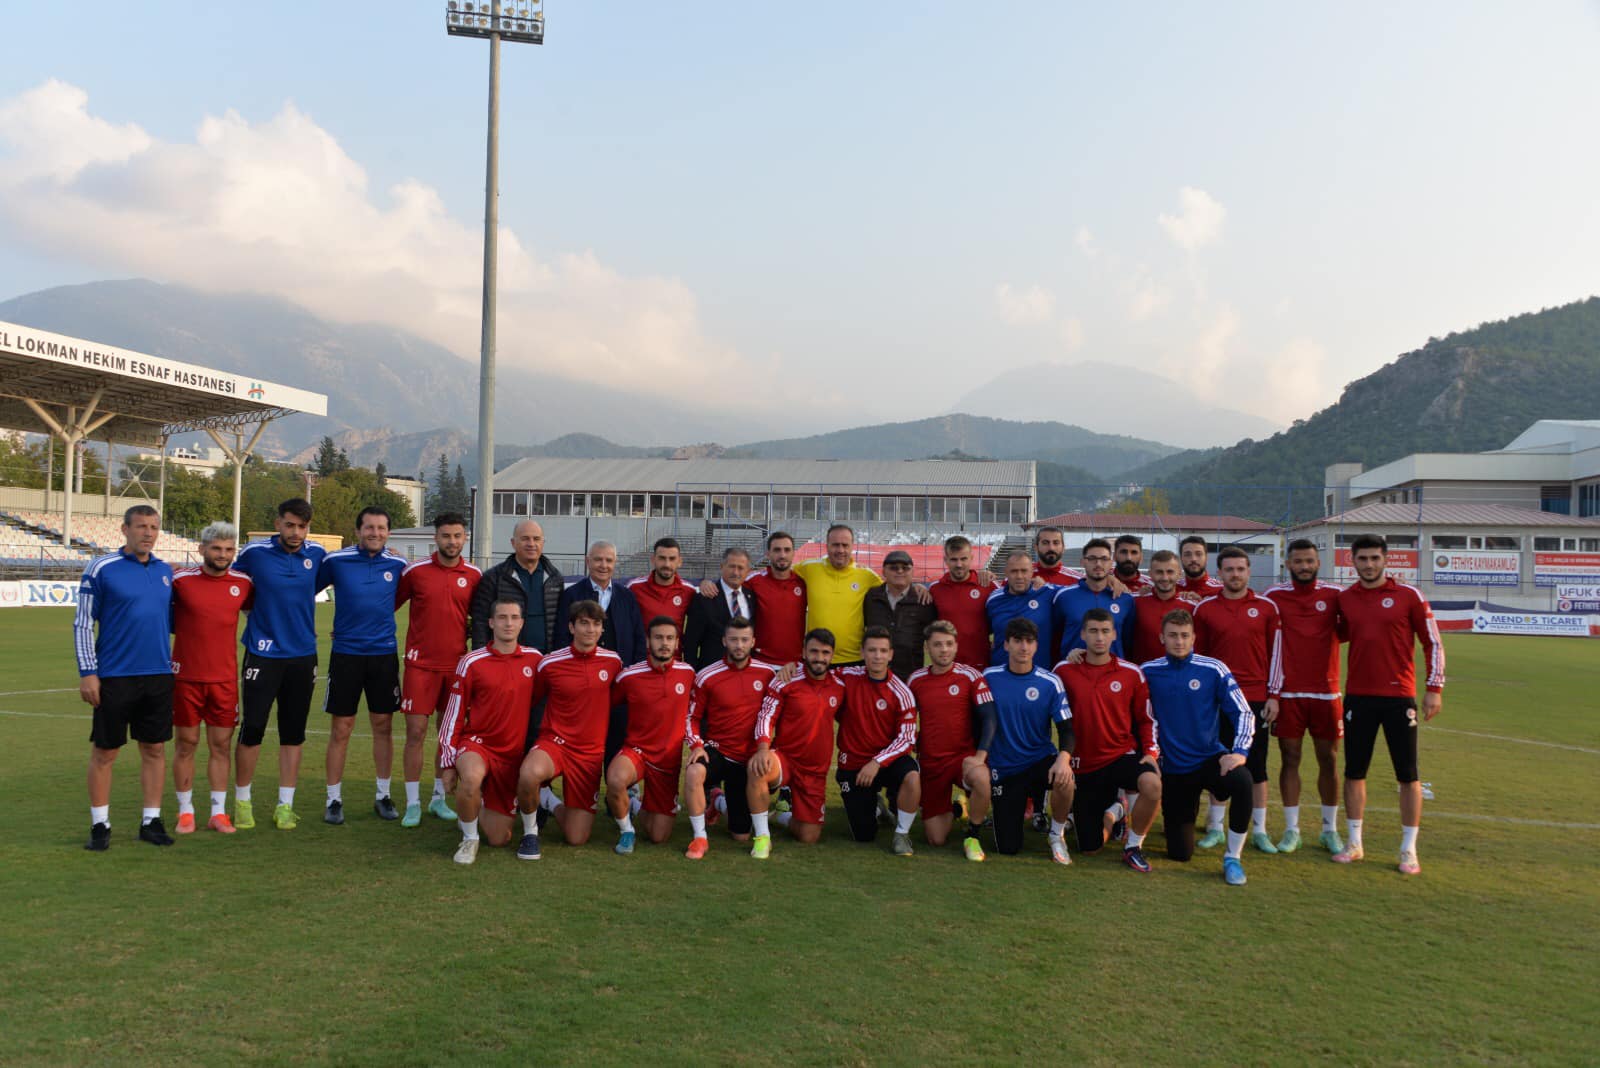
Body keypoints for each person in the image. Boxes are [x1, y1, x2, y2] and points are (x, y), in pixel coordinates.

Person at [1331, 533, 1445, 875]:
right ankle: (1354, 843)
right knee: (1354, 771)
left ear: (1385, 559)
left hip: (1399, 697)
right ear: (1352, 561)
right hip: (1358, 696)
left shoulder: (1408, 596)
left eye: (1374, 558)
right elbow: (1335, 635)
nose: (1368, 564)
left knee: (1407, 774)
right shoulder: (1345, 599)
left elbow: (1432, 642)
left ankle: (1409, 849)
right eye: (1362, 558)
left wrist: (1434, 688)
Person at [76, 505, 177, 850]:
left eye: (153, 527)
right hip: (115, 676)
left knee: (155, 749)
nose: (148, 533)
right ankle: (99, 825)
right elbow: (83, 623)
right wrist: (88, 672)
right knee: (105, 752)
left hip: (158, 675)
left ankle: (151, 821)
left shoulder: (165, 571)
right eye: (141, 526)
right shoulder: (102, 568)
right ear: (125, 530)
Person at [1140, 608, 1255, 885]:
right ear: (1161, 638)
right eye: (1172, 635)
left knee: (1242, 781)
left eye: (1184, 635)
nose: (1179, 641)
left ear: (1194, 638)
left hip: (1208, 760)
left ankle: (1233, 858)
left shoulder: (1213, 669)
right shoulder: (1148, 671)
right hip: (1173, 769)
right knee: (1180, 854)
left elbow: (1243, 712)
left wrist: (1239, 753)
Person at [232, 498, 327, 830]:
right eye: (290, 525)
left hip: (302, 656)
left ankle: (285, 806)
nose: (296, 532)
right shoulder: (254, 553)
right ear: (278, 524)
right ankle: (242, 802)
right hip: (263, 654)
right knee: (252, 729)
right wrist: (254, 616)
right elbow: (231, 584)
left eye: (302, 526)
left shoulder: (317, 555)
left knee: (293, 733)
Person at [316, 506, 408, 825]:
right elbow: (303, 591)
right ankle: (333, 799)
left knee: (383, 725)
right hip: (346, 655)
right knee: (341, 728)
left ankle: (383, 795)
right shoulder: (336, 561)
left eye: (381, 528)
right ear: (357, 531)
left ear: (388, 533)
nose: (375, 533)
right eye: (369, 527)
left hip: (383, 655)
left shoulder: (398, 564)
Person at [1053, 609, 1160, 872]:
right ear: (1083, 634)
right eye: (1093, 631)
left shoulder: (1131, 673)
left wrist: (1150, 752)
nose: (1099, 637)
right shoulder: (1064, 670)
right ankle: (1115, 812)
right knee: (1089, 848)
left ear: (1114, 634)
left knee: (1152, 784)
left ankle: (1133, 847)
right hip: (1084, 764)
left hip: (1120, 756)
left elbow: (1146, 719)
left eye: (1104, 631)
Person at [436, 598, 542, 865]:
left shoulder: (535, 660)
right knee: (471, 778)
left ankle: (475, 804)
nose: (508, 623)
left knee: (499, 838)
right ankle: (469, 839)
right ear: (491, 623)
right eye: (502, 617)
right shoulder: (472, 661)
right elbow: (453, 713)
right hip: (478, 744)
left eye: (514, 618)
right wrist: (447, 763)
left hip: (512, 755)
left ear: (522, 623)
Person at [515, 600, 624, 858]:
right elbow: (530, 700)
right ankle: (530, 834)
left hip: (589, 753)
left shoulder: (613, 662)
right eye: (584, 623)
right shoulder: (550, 663)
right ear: (571, 627)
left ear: (602, 629)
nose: (590, 629)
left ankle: (549, 801)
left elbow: (617, 698)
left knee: (576, 838)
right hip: (555, 743)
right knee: (529, 774)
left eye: (596, 624)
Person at [1192, 546, 1283, 853]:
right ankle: (1215, 827)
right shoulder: (1205, 609)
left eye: (1240, 569)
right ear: (1219, 573)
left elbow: (1276, 655)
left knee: (1257, 766)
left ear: (1248, 571)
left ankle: (1260, 830)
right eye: (1229, 569)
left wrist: (1273, 696)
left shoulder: (1267, 607)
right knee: (1219, 760)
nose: (1235, 574)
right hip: (1218, 700)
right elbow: (1199, 659)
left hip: (1255, 699)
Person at [394, 512, 483, 826]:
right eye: (446, 535)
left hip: (456, 667)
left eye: (457, 535)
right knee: (415, 733)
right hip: (420, 665)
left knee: (447, 736)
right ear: (436, 538)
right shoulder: (415, 572)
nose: (452, 541)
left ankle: (437, 798)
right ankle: (412, 803)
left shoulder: (474, 575)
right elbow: (387, 606)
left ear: (465, 538)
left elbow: (479, 618)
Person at [1262, 539, 1346, 853]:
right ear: (1288, 565)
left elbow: (1352, 627)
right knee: (1290, 758)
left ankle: (1329, 830)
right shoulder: (1273, 596)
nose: (1304, 566)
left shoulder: (1335, 595)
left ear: (1318, 563)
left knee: (1329, 759)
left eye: (1309, 561)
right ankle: (1292, 830)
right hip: (1287, 693)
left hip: (1326, 693)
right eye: (1298, 561)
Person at [169, 522, 252, 835]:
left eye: (229, 549)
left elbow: (263, 612)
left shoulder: (243, 583)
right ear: (202, 549)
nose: (222, 554)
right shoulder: (180, 580)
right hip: (186, 678)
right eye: (216, 548)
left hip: (224, 680)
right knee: (186, 744)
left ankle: (218, 813)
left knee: (221, 746)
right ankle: (185, 812)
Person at [981, 618, 1075, 863]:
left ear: (1036, 645)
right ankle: (1025, 806)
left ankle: (1056, 835)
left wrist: (1063, 759)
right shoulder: (988, 678)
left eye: (1029, 641)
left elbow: (1066, 730)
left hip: (1039, 760)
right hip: (1005, 769)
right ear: (1006, 645)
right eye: (1018, 641)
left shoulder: (1050, 682)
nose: (1024, 647)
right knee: (1007, 848)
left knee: (1066, 778)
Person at [747, 628, 846, 858]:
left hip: (815, 770)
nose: (819, 658)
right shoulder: (786, 680)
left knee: (809, 836)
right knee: (757, 767)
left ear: (832, 655)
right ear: (803, 652)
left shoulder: (840, 684)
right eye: (814, 651)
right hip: (785, 758)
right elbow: (766, 715)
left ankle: (782, 817)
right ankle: (762, 838)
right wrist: (763, 748)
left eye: (825, 653)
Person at [682, 617, 777, 857]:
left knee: (740, 834)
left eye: (744, 640)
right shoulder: (707, 675)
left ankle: (718, 801)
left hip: (748, 760)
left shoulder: (767, 673)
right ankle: (699, 838)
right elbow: (691, 716)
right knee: (694, 771)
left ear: (753, 642)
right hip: (718, 752)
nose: (739, 645)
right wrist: (696, 745)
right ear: (724, 641)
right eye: (734, 640)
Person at [605, 616, 697, 853]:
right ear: (648, 641)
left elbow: (698, 712)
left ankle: (635, 804)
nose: (664, 643)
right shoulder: (629, 676)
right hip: (636, 751)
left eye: (669, 638)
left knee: (658, 835)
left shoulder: (688, 674)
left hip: (667, 760)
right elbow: (604, 705)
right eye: (658, 638)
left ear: (677, 643)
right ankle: (626, 831)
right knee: (615, 779)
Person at [556, 539, 647, 779]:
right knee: (586, 739)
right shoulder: (572, 594)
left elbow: (639, 638)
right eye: (598, 559)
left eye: (608, 560)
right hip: (584, 684)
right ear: (588, 561)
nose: (603, 565)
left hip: (619, 683)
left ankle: (618, 790)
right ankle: (584, 788)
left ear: (615, 563)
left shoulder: (627, 596)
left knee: (618, 737)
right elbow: (562, 637)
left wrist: (633, 676)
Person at [907, 620, 993, 860]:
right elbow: (904, 718)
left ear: (956, 646)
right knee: (936, 839)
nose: (943, 650)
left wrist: (979, 757)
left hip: (962, 759)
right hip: (931, 763)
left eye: (948, 644)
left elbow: (989, 718)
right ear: (927, 648)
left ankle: (972, 836)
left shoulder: (970, 676)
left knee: (982, 778)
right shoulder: (916, 680)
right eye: (937, 645)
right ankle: (958, 809)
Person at [835, 628, 921, 855]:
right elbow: (817, 671)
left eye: (883, 651)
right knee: (863, 835)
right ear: (862, 652)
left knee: (912, 777)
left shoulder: (901, 692)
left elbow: (907, 738)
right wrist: (791, 666)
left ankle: (902, 834)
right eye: (872, 650)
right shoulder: (846, 676)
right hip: (854, 763)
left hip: (887, 762)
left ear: (891, 654)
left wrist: (877, 762)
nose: (877, 656)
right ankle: (876, 807)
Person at [795, 524, 929, 666]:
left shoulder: (866, 575)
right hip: (818, 657)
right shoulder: (808, 568)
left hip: (854, 659)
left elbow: (893, 585)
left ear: (852, 547)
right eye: (835, 545)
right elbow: (783, 574)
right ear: (826, 545)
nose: (840, 550)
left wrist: (915, 587)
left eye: (845, 545)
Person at [469, 519, 563, 651]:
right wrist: (481, 656)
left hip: (547, 658)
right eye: (525, 539)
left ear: (543, 542)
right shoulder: (493, 578)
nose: (531, 544)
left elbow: (561, 623)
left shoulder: (555, 578)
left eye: (536, 539)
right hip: (508, 657)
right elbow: (480, 622)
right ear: (513, 543)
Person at [1051, 538, 1135, 661]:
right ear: (1082, 562)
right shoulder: (1064, 596)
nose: (1098, 564)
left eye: (1104, 559)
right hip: (1074, 668)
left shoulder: (1125, 599)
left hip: (1113, 670)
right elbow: (1055, 638)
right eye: (1092, 559)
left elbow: (1128, 642)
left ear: (1111, 563)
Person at [862, 548, 936, 679]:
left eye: (905, 568)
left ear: (912, 571)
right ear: (884, 571)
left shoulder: (923, 601)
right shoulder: (871, 597)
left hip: (910, 674)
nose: (900, 571)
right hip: (875, 674)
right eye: (894, 568)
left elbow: (932, 637)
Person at [928, 535, 996, 669]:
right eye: (954, 559)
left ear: (971, 558)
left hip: (981, 664)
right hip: (948, 666)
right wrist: (918, 588)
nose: (959, 565)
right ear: (946, 560)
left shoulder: (988, 585)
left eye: (963, 559)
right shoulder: (934, 589)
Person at [685, 546, 758, 670]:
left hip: (745, 672)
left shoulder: (752, 597)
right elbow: (690, 642)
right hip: (712, 671)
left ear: (748, 571)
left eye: (740, 568)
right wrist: (692, 672)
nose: (736, 572)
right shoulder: (704, 598)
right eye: (731, 566)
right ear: (722, 566)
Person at [743, 531, 808, 665]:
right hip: (761, 661)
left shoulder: (804, 582)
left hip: (795, 664)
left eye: (787, 550)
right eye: (777, 550)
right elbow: (728, 586)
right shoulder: (754, 580)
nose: (782, 555)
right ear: (768, 554)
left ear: (793, 553)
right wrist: (707, 584)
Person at [984, 549, 1056, 666]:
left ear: (1032, 571)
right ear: (1006, 572)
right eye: (1014, 571)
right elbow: (983, 632)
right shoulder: (993, 599)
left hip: (1039, 672)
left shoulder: (1049, 594)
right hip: (1000, 672)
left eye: (1024, 571)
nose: (1019, 576)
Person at [1127, 549, 1189, 664]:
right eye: (1159, 572)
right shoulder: (1135, 602)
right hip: (1143, 672)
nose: (1165, 577)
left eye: (1170, 572)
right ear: (1150, 574)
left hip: (1180, 672)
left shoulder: (1192, 606)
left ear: (1179, 574)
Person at [626, 537, 698, 635]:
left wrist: (706, 584)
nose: (667, 564)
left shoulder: (689, 591)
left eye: (672, 559)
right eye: (662, 558)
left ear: (679, 562)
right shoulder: (634, 588)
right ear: (653, 560)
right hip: (643, 646)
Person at [1178, 534, 1224, 601]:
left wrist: (1203, 603)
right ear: (1181, 558)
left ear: (1206, 557)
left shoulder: (1221, 590)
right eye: (1187, 555)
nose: (1193, 559)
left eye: (1198, 554)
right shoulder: (1172, 590)